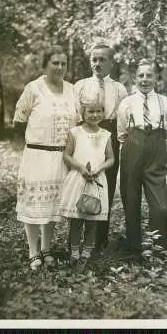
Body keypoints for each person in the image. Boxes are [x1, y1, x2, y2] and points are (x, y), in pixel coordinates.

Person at [12, 45, 80, 271]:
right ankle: (33, 252)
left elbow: (78, 124)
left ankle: (47, 248)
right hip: (37, 155)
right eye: (55, 63)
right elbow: (19, 121)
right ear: (45, 65)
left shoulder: (72, 91)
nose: (60, 68)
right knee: (33, 205)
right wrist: (29, 147)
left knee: (52, 206)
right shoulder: (33, 89)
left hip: (61, 157)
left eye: (63, 64)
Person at [117, 59, 167, 258]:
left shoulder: (165, 102)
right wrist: (135, 144)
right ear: (135, 78)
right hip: (132, 148)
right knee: (131, 200)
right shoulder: (126, 103)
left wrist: (155, 147)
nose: (145, 80)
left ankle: (157, 247)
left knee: (160, 207)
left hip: (156, 150)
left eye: (149, 75)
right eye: (141, 76)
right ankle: (133, 247)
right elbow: (121, 132)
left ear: (156, 78)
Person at [73, 43, 128, 253]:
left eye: (102, 59)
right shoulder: (80, 86)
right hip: (85, 135)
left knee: (105, 185)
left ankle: (99, 242)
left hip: (110, 137)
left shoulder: (119, 89)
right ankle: (77, 241)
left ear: (111, 63)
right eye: (94, 59)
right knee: (82, 183)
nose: (97, 64)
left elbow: (123, 121)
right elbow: (75, 117)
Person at [57, 97, 115, 272]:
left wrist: (100, 169)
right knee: (76, 220)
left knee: (92, 220)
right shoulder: (75, 132)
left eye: (98, 111)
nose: (95, 114)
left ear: (103, 114)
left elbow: (111, 158)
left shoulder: (106, 135)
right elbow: (66, 155)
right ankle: (74, 254)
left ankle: (86, 256)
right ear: (82, 113)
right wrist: (81, 168)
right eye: (90, 111)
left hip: (96, 181)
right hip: (79, 179)